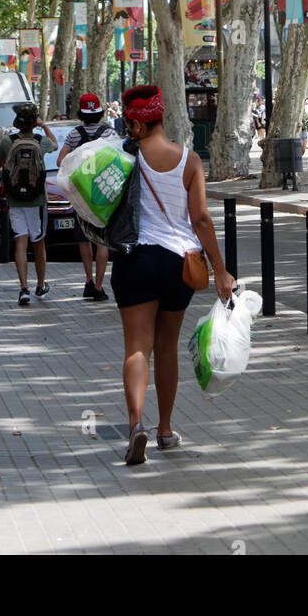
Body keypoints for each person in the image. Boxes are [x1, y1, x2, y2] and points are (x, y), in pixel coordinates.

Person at [112, 84, 234, 466]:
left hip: (135, 259)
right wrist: (220, 269)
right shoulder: (190, 160)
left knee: (136, 348)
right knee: (167, 348)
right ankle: (165, 430)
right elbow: (200, 219)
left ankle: (136, 426)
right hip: (178, 264)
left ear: (135, 121)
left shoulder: (123, 157)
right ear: (162, 117)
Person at [0, 102, 58, 305]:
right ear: (33, 122)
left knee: (20, 242)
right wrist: (44, 126)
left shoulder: (7, 141)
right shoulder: (41, 141)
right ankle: (40, 284)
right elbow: (55, 144)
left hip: (14, 199)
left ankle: (23, 288)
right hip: (37, 200)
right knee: (38, 242)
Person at [56, 92, 114, 301]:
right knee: (102, 241)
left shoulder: (74, 134)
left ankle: (88, 280)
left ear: (80, 113)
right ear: (99, 112)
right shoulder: (109, 133)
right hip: (102, 194)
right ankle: (99, 286)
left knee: (84, 239)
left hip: (80, 195)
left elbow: (60, 161)